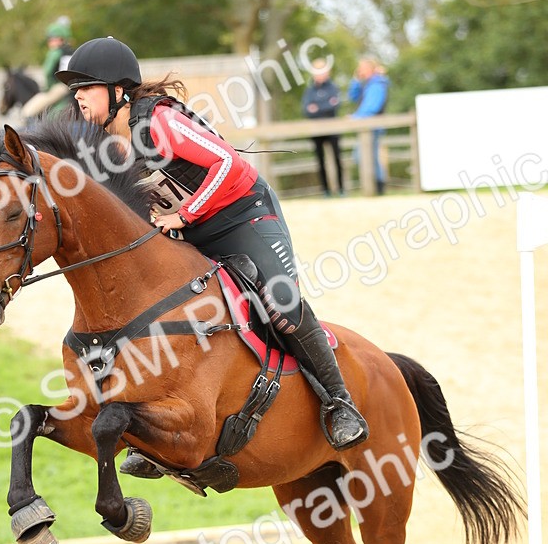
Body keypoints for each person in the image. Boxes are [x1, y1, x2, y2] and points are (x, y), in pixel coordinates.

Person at [56, 37, 369, 464]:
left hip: (244, 217)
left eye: (86, 86)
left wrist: (184, 217)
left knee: (281, 300)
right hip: (194, 230)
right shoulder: (109, 141)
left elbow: (228, 165)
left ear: (118, 91)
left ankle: (339, 402)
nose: (77, 96)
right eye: (75, 89)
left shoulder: (159, 122)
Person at [302, 58, 344, 197]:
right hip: (316, 130)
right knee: (320, 161)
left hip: (333, 129)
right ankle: (325, 190)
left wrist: (317, 107)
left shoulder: (333, 87)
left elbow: (334, 104)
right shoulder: (310, 90)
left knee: (337, 159)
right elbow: (307, 109)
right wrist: (325, 106)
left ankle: (341, 189)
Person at [348, 57, 389, 195]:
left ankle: (378, 185)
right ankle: (378, 186)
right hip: (368, 127)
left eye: (362, 68)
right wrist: (356, 80)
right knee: (368, 157)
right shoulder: (368, 84)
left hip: (373, 127)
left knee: (363, 156)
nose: (360, 71)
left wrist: (355, 117)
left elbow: (371, 108)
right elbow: (353, 97)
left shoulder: (377, 84)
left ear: (371, 69)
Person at [20, 17, 74, 120]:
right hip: (74, 87)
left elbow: (48, 72)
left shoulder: (55, 52)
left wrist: (47, 88)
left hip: (60, 86)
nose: (50, 42)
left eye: (53, 39)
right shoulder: (73, 51)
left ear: (61, 39)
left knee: (27, 112)